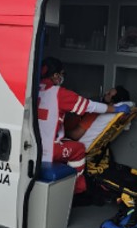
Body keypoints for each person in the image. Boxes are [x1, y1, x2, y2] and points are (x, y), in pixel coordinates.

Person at [37, 58, 127, 195]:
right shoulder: (59, 94)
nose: (62, 77)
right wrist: (115, 110)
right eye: (62, 74)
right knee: (78, 149)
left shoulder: (33, 88)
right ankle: (77, 190)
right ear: (55, 75)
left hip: (33, 142)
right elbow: (90, 106)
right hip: (48, 148)